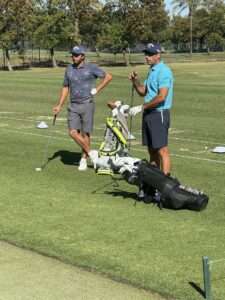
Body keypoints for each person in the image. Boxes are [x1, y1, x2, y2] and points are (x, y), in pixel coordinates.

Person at [53, 46, 112, 171]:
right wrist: (59, 105)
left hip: (87, 104)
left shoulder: (91, 68)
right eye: (73, 55)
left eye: (76, 55)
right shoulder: (69, 69)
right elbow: (65, 87)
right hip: (73, 105)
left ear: (83, 56)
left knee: (86, 133)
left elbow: (108, 77)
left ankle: (84, 159)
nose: (74, 57)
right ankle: (91, 153)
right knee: (73, 132)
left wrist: (97, 89)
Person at [129, 43, 173, 175]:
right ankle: (154, 182)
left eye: (150, 54)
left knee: (161, 150)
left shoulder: (164, 71)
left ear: (158, 55)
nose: (146, 57)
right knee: (152, 150)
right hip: (149, 113)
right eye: (146, 54)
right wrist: (136, 81)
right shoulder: (152, 70)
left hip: (158, 113)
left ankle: (165, 185)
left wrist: (141, 107)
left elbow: (161, 97)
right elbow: (143, 92)